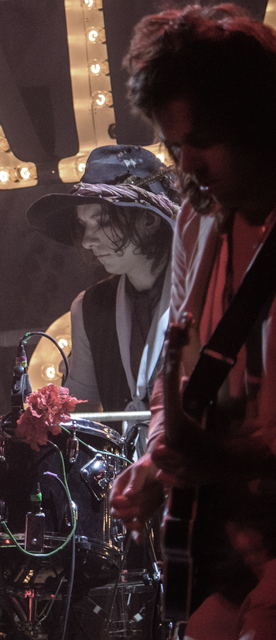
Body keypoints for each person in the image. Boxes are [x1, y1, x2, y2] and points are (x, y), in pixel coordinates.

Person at [110, 5, 276, 639]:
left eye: (203, 139)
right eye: (176, 144)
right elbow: (175, 380)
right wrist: (161, 456)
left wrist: (225, 460)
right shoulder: (198, 219)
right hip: (224, 555)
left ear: (259, 117)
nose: (189, 166)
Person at [27, 145, 178, 415]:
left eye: (103, 221)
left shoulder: (204, 292)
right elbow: (77, 413)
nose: (87, 241)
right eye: (84, 225)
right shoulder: (89, 308)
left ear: (149, 220)